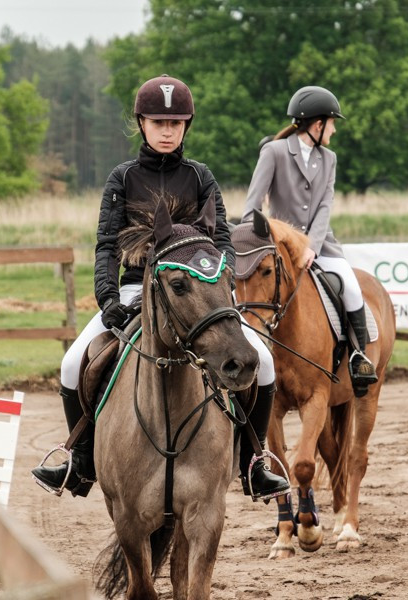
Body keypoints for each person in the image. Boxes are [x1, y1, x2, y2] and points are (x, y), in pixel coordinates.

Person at [32, 74, 289, 501]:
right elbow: (108, 246)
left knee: (262, 360)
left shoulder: (201, 177)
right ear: (142, 124)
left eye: (175, 123)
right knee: (74, 362)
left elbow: (222, 243)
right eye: (157, 123)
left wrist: (219, 291)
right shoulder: (123, 178)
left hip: (196, 296)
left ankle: (252, 463)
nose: (166, 131)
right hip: (136, 292)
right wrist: (108, 298)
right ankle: (80, 461)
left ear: (186, 126)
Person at [242, 85, 378, 390]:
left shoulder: (328, 158)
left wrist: (311, 247)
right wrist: (264, 242)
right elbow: (252, 207)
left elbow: (325, 206)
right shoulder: (274, 152)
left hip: (321, 244)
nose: (333, 130)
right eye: (332, 123)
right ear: (318, 125)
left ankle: (358, 358)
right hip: (279, 244)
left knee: (352, 290)